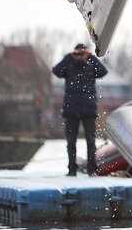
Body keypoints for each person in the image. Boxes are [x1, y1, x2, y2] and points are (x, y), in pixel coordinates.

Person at [52, 43, 108, 176]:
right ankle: (72, 169)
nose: (79, 56)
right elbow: (56, 71)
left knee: (90, 141)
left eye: (82, 53)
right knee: (71, 141)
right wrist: (69, 57)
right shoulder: (68, 67)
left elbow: (103, 72)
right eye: (77, 53)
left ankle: (92, 169)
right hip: (71, 110)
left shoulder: (91, 66)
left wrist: (91, 57)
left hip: (88, 110)